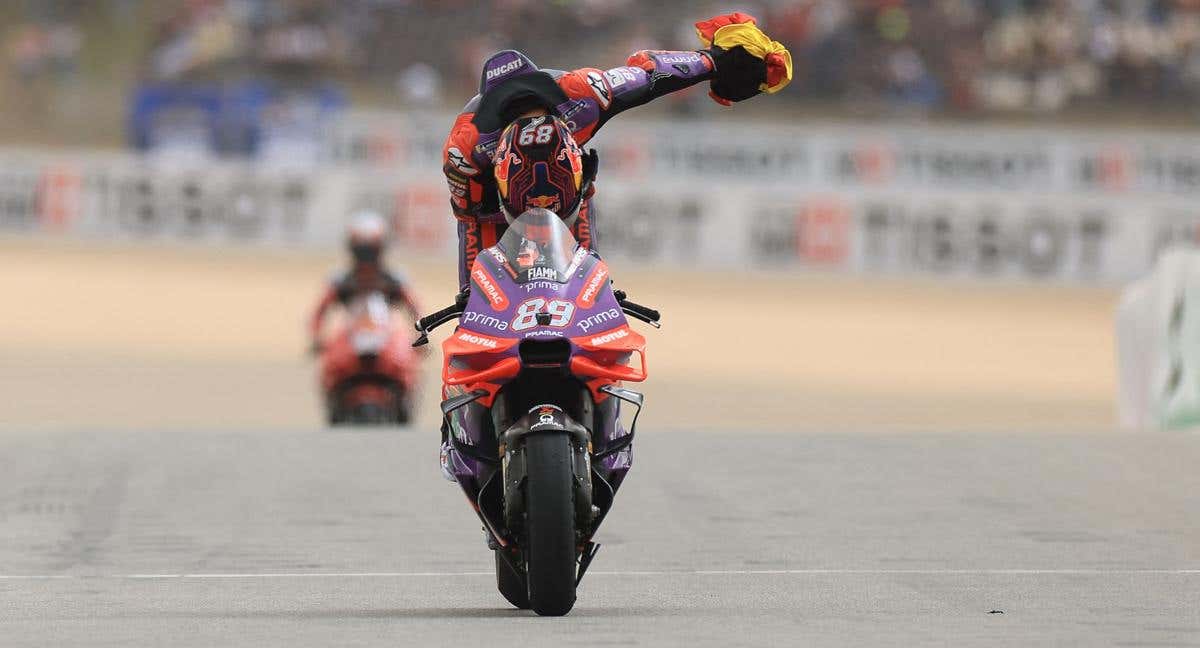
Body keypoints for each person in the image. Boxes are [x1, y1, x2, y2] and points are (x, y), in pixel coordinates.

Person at [441, 12, 792, 288]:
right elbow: (470, 223)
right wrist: (471, 299)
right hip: (488, 205)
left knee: (587, 284)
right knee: (480, 294)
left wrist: (716, 59)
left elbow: (651, 73)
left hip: (569, 186)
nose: (545, 212)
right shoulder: (465, 153)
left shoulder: (585, 96)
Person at [309, 210, 421, 352]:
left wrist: (420, 336)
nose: (367, 258)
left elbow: (415, 310)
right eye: (362, 252)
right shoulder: (340, 280)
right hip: (350, 344)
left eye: (371, 252)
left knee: (404, 359)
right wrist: (317, 337)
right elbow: (320, 311)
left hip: (386, 344)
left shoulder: (395, 280)